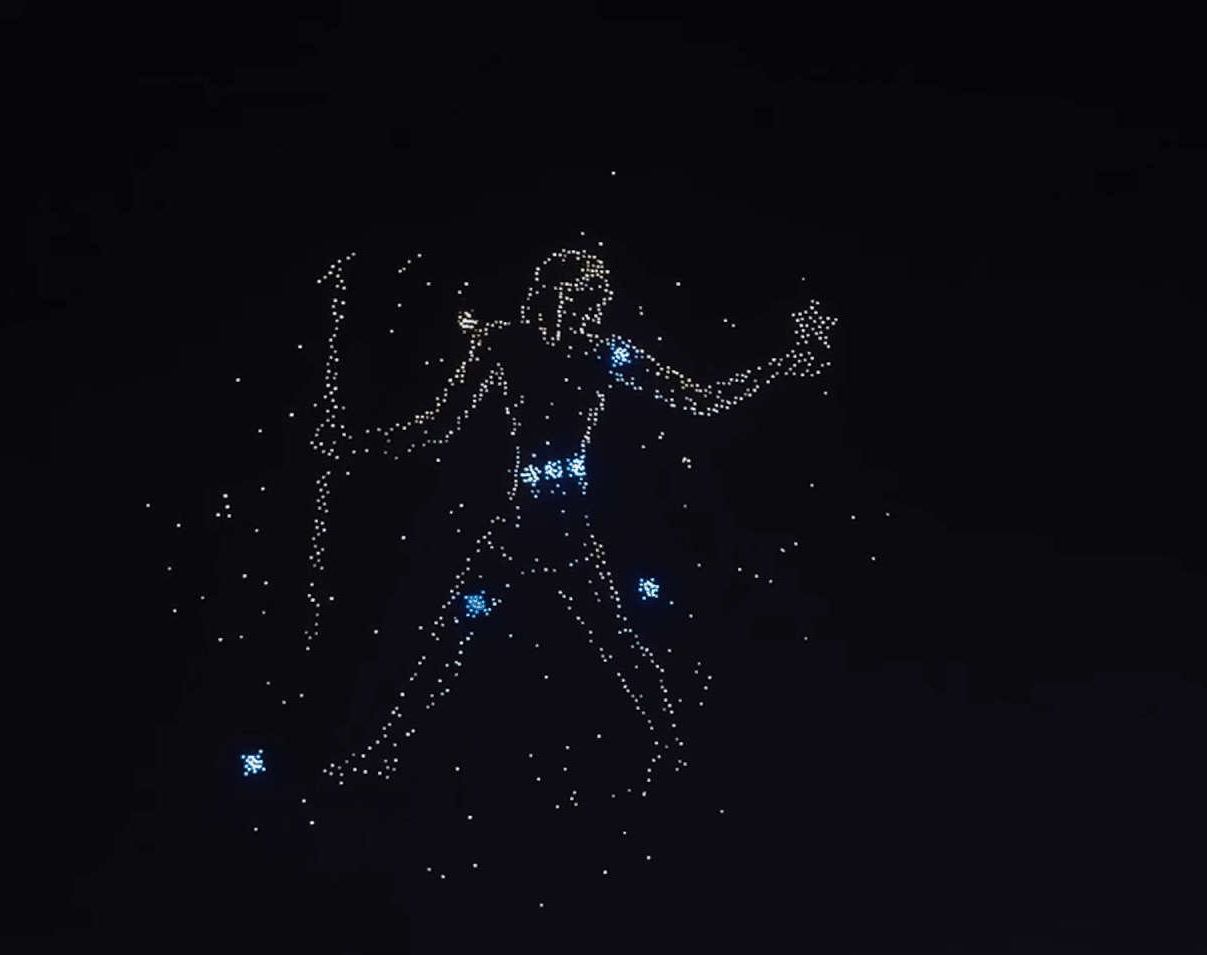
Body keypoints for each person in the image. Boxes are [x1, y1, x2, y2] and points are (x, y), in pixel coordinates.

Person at [314, 249, 835, 793]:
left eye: (598, 302)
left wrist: (786, 363)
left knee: (602, 636)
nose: (595, 311)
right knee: (455, 633)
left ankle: (674, 750)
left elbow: (702, 399)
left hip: (562, 528)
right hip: (525, 525)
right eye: (586, 299)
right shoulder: (508, 344)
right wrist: (352, 448)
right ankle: (384, 752)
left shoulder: (599, 355)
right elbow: (438, 425)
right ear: (556, 296)